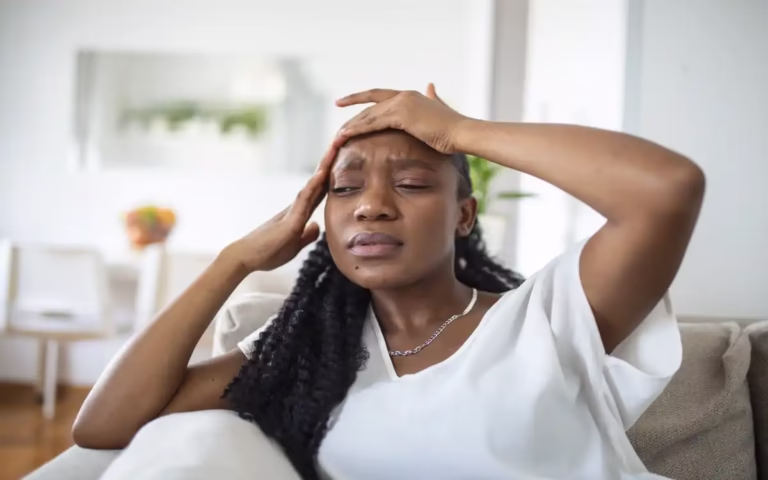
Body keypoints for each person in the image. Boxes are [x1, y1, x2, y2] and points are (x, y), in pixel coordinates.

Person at [72, 84, 705, 479]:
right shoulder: (302, 354)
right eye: (344, 189)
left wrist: (457, 132)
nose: (370, 206)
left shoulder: (549, 315)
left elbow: (667, 191)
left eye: (411, 183)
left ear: (464, 214)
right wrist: (233, 260)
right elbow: (102, 427)